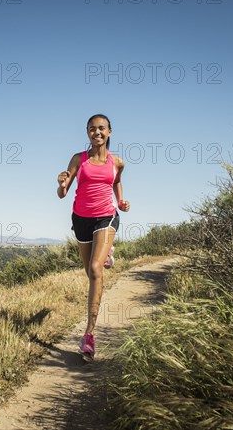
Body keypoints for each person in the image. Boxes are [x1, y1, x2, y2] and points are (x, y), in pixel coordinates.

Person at [56, 113, 130, 361]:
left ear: (109, 132)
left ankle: (89, 334)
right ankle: (106, 250)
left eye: (101, 128)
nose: (96, 132)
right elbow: (62, 194)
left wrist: (120, 201)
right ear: (87, 132)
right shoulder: (79, 159)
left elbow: (116, 181)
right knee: (90, 273)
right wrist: (61, 183)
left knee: (97, 269)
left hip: (106, 216)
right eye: (91, 129)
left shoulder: (117, 162)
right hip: (81, 219)